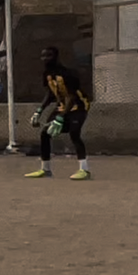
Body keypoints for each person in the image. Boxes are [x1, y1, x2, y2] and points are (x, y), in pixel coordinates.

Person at [25, 45, 93, 180]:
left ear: (55, 56)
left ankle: (84, 170)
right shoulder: (47, 74)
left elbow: (72, 97)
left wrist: (61, 118)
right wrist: (39, 111)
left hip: (78, 107)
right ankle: (45, 169)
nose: (45, 59)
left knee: (74, 134)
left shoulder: (68, 73)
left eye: (48, 55)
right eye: (43, 56)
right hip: (62, 107)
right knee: (45, 133)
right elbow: (50, 93)